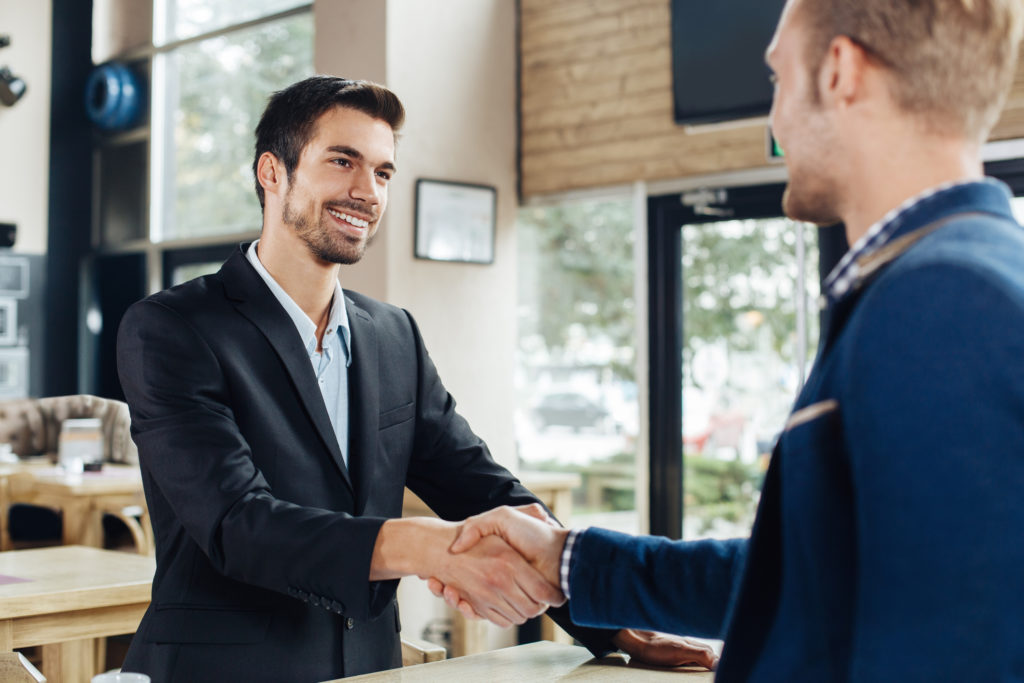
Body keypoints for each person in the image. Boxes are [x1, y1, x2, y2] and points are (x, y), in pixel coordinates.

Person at [438, 0, 1024, 680]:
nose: (772, 122)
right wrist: (568, 557)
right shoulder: (953, 274)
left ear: (839, 72)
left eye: (776, 81)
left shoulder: (945, 299)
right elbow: (810, 574)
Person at [116, 76, 713, 682]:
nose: (366, 191)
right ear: (273, 173)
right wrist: (432, 548)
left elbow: (476, 485)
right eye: (342, 161)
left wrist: (612, 622)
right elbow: (238, 525)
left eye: (382, 172)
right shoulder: (172, 328)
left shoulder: (392, 334)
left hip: (375, 670)